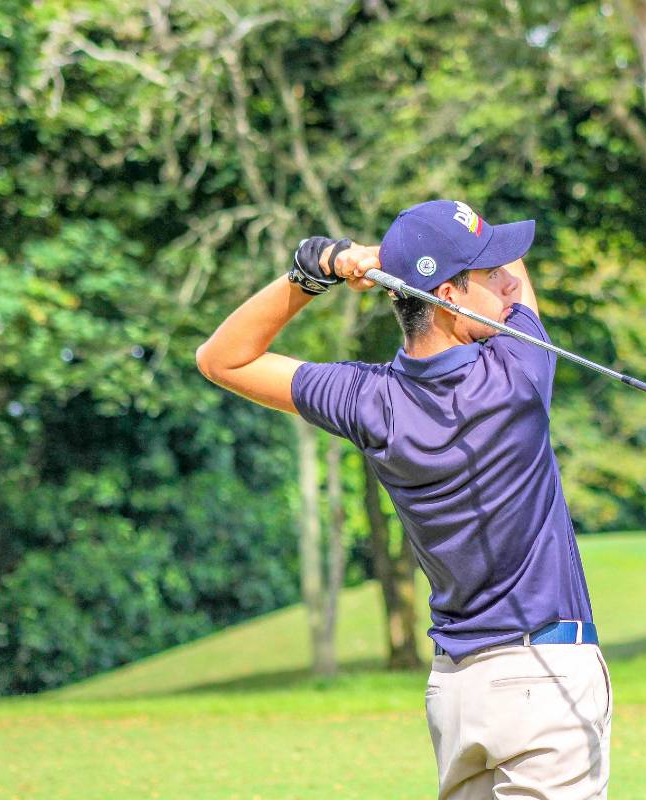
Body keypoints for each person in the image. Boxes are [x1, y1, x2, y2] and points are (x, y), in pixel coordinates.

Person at [195, 199, 612, 799]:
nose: (506, 283)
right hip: (544, 680)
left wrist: (315, 274)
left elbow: (221, 358)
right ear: (448, 295)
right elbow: (520, 271)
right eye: (486, 275)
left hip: (457, 692)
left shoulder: (370, 402)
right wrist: (408, 254)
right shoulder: (518, 372)